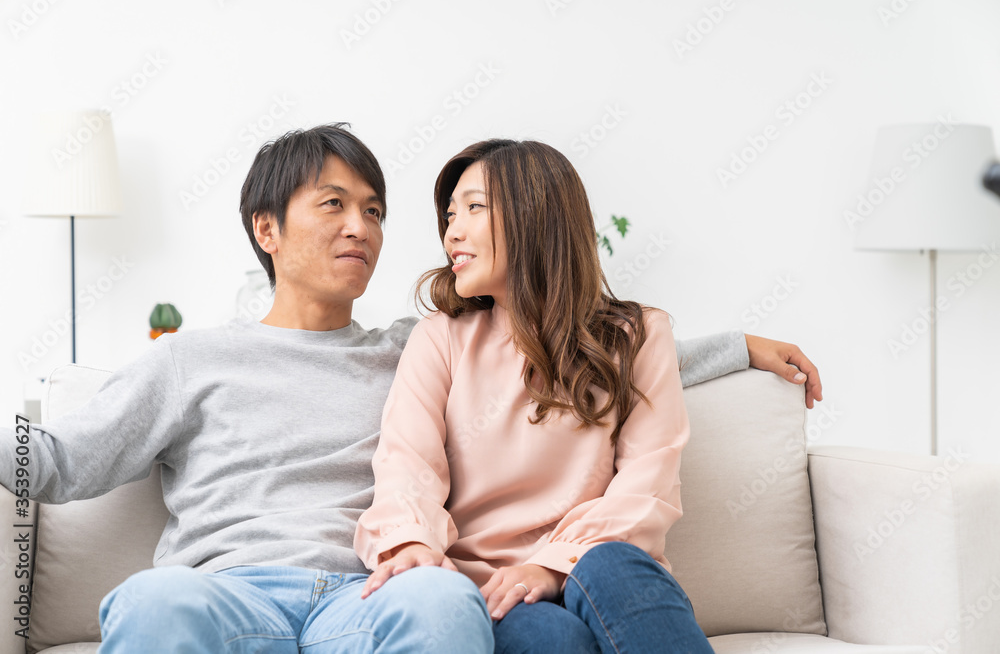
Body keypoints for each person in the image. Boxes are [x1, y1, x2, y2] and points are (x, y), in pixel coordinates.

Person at [1, 124, 817, 652]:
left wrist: (738, 347)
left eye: (375, 210)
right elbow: (61, 459)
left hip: (368, 596)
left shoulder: (413, 346)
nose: (362, 227)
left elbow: (570, 347)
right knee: (150, 601)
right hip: (228, 589)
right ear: (266, 229)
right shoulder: (190, 360)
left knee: (444, 602)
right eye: (334, 204)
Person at [354, 139, 805, 652]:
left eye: (474, 207)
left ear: (535, 216)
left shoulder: (638, 336)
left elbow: (646, 488)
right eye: (450, 214)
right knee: (553, 636)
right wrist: (411, 544)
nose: (452, 231)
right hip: (492, 589)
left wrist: (553, 564)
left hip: (600, 569)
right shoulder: (440, 339)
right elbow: (406, 466)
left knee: (611, 564)